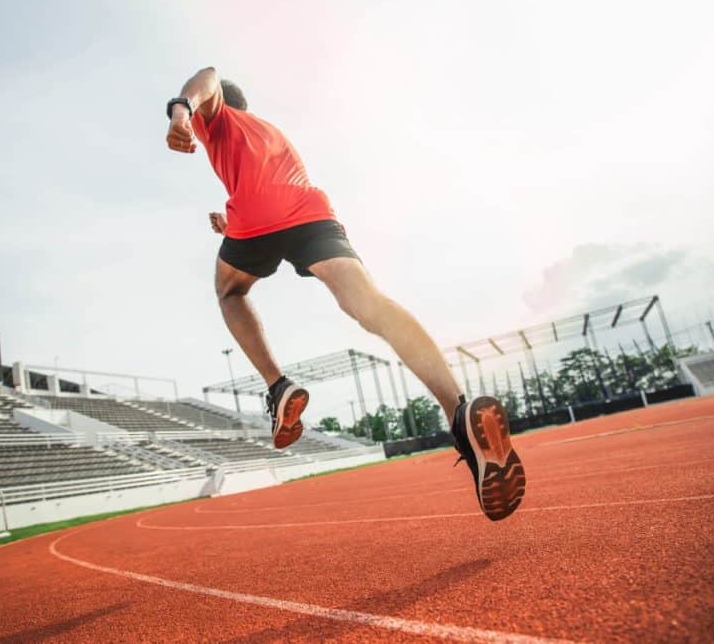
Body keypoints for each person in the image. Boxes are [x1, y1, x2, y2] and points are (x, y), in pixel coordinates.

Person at [165, 67, 525, 520]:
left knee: (229, 292)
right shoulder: (270, 133)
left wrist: (180, 111)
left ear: (218, 107)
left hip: (258, 220)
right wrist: (230, 224)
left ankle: (278, 387)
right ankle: (459, 410)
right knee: (369, 306)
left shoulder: (215, 117)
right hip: (311, 214)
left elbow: (209, 75)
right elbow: (265, 188)